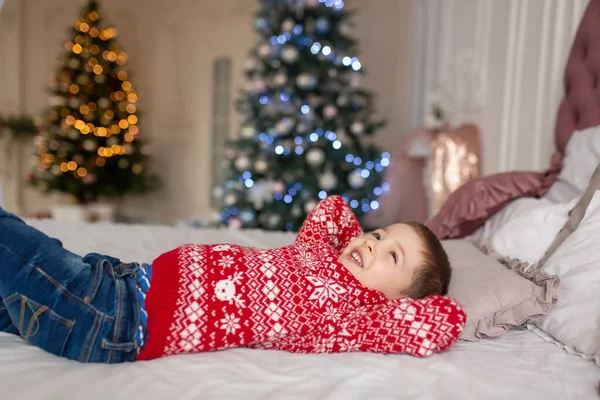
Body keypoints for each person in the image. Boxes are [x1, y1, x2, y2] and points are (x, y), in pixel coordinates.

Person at [0, 195, 465, 363]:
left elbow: (440, 320)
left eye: (391, 254)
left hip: (115, 317)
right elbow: (334, 211)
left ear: (395, 300)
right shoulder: (316, 253)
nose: (370, 242)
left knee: (15, 243)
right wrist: (364, 249)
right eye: (378, 233)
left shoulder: (347, 315)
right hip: (119, 279)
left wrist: (407, 298)